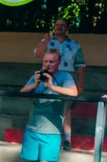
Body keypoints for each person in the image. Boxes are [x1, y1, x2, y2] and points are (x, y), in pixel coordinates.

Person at [20, 48, 78, 162]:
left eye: (51, 61)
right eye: (45, 61)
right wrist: (35, 83)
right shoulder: (37, 76)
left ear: (59, 63)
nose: (47, 65)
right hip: (32, 130)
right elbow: (22, 92)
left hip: (51, 132)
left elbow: (74, 92)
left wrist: (52, 86)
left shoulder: (64, 76)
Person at [35, 18, 85, 151]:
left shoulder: (74, 44)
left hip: (67, 79)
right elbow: (38, 54)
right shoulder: (48, 41)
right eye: (57, 25)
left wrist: (80, 82)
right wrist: (45, 41)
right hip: (48, 77)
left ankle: (67, 140)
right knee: (47, 106)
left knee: (66, 109)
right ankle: (47, 136)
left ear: (67, 28)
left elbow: (80, 64)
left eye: (62, 25)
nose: (59, 27)